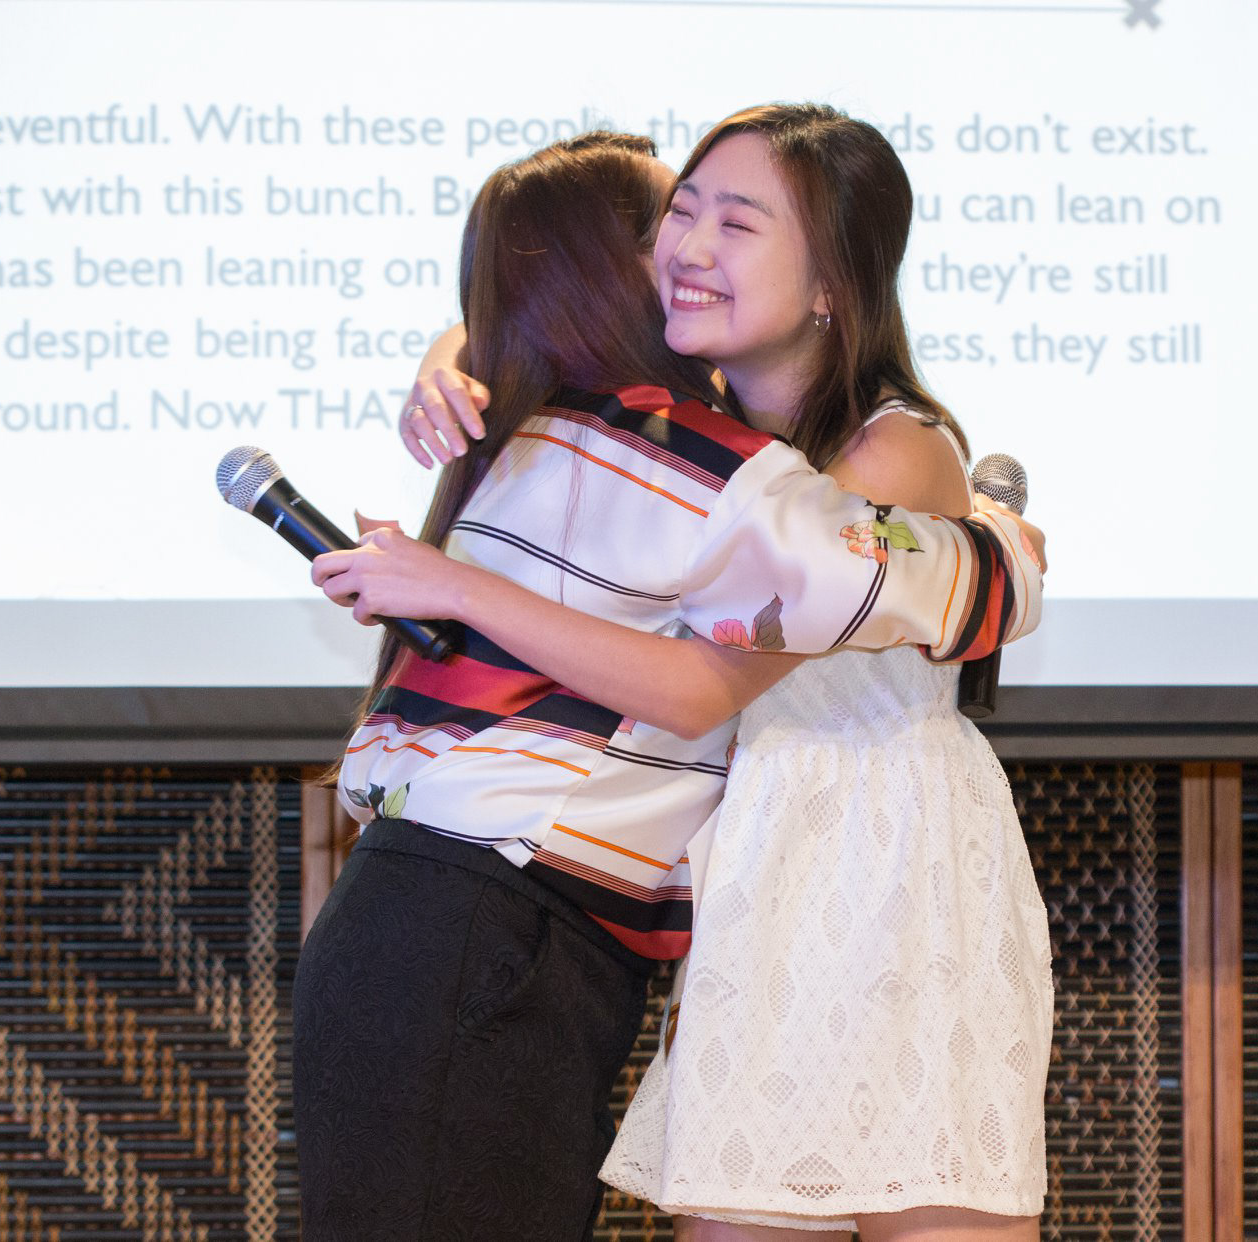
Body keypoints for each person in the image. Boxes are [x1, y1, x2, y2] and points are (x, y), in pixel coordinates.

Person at [295, 130, 1042, 1242]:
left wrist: (997, 555)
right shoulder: (688, 436)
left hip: (877, 867)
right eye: (676, 217)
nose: (688, 248)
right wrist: (453, 354)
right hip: (730, 874)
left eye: (734, 224)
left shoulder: (840, 457)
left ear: (832, 282)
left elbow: (707, 681)